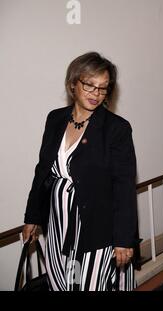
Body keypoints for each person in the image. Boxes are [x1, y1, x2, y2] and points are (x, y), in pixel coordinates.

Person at [22, 52, 138, 291]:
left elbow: (124, 186)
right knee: (60, 284)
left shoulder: (117, 129)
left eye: (103, 88)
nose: (96, 94)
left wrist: (124, 239)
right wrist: (32, 217)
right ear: (73, 84)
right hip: (57, 224)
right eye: (89, 85)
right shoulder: (55, 119)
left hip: (97, 227)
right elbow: (43, 170)